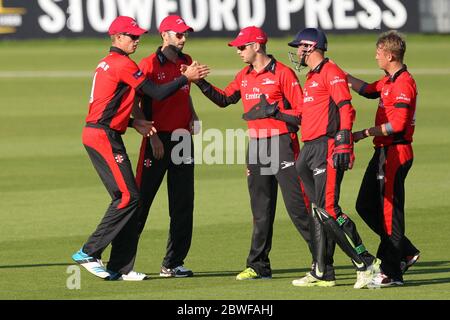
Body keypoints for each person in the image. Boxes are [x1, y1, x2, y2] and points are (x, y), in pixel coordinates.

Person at [71, 16, 208, 281]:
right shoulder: (127, 64)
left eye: (137, 36)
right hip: (107, 135)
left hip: (129, 134)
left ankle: (152, 264)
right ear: (117, 38)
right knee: (130, 198)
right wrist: (184, 80)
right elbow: (153, 94)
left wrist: (135, 123)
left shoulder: (109, 63)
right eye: (132, 36)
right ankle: (93, 253)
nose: (136, 40)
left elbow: (111, 104)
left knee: (163, 201)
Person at [195, 26, 312, 280]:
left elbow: (302, 114)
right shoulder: (243, 76)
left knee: (298, 207)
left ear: (256, 46)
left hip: (282, 143)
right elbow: (225, 99)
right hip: (257, 146)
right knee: (260, 210)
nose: (238, 51)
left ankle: (322, 260)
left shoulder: (283, 74)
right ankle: (258, 265)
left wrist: (276, 113)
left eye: (242, 47)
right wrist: (199, 82)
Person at [287, 28, 380, 289]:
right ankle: (321, 271)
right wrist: (275, 113)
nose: (297, 52)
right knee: (317, 211)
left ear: (310, 47)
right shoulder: (312, 77)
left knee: (328, 209)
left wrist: (343, 142)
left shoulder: (331, 72)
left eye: (299, 47)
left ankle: (366, 262)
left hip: (327, 146)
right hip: (309, 148)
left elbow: (345, 107)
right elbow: (305, 115)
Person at [347, 30, 420, 287]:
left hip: (395, 151)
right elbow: (367, 90)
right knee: (365, 205)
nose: (375, 56)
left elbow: (398, 124)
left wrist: (364, 133)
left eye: (378, 52)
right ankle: (406, 251)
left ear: (390, 55)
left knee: (390, 213)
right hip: (383, 151)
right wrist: (341, 77)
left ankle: (392, 272)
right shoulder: (388, 80)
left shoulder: (403, 83)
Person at [133, 15, 199, 278]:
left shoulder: (186, 61)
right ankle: (122, 261)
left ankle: (172, 263)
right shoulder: (148, 64)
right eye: (178, 34)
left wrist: (193, 115)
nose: (183, 39)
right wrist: (152, 136)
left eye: (185, 35)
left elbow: (184, 94)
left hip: (183, 139)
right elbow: (136, 104)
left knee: (183, 204)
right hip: (157, 141)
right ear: (164, 35)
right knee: (140, 203)